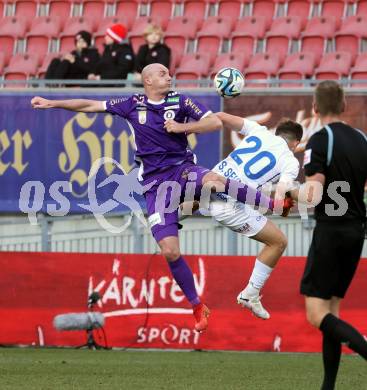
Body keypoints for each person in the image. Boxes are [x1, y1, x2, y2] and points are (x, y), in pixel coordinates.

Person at [31, 63, 291, 332]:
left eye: (169, 73)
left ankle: (271, 204)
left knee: (213, 180)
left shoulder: (180, 100)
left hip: (183, 170)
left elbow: (214, 122)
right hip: (156, 186)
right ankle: (197, 306)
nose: (169, 76)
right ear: (148, 80)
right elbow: (89, 105)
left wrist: (181, 127)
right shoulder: (132, 104)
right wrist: (52, 103)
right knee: (169, 250)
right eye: (163, 74)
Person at [179, 113, 302, 319]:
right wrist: (288, 204)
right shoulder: (290, 161)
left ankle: (164, 219)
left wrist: (191, 128)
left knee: (203, 196)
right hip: (229, 204)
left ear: (276, 132)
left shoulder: (259, 130)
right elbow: (281, 198)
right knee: (278, 242)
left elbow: (220, 116)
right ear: (296, 143)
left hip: (211, 179)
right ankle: (250, 294)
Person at [300, 80, 367, 389]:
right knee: (332, 310)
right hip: (355, 230)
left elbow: (313, 193)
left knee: (316, 315)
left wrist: (284, 195)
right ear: (343, 107)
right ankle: (328, 386)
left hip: (331, 230)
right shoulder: (361, 139)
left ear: (315, 108)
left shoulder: (320, 139)